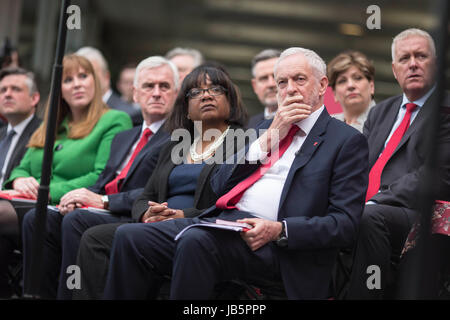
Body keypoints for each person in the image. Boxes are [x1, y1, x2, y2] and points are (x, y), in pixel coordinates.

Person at [102, 47, 369, 300]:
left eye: (299, 79)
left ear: (322, 85)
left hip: (279, 246)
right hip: (225, 223)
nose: (290, 90)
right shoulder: (267, 128)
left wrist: (279, 229)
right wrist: (269, 138)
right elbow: (218, 184)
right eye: (282, 83)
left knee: (196, 242)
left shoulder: (344, 140)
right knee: (130, 237)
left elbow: (344, 224)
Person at [73, 64, 247, 299]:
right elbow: (145, 195)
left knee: (128, 236)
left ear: (231, 100)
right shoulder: (175, 144)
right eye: (195, 92)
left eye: (215, 89)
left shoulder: (243, 144)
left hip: (200, 227)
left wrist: (181, 215)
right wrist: (147, 213)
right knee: (95, 238)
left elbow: (234, 204)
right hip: (157, 223)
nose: (205, 95)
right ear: (186, 108)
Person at [21, 56, 176, 299]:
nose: (156, 93)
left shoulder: (178, 138)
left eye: (164, 86)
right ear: (135, 94)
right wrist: (77, 196)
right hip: (101, 206)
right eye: (148, 86)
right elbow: (102, 179)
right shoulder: (125, 136)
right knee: (37, 218)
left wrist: (103, 201)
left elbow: (160, 190)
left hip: (131, 213)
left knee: (77, 219)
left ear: (176, 94)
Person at [0, 54, 131, 298]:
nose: (77, 84)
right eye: (68, 80)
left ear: (97, 82)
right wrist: (19, 180)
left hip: (70, 205)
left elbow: (102, 174)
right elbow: (22, 166)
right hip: (28, 202)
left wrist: (47, 190)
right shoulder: (52, 123)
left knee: (26, 218)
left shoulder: (114, 120)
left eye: (83, 76)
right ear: (59, 89)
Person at [346, 28, 450, 299]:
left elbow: (438, 175)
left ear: (436, 65)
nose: (413, 63)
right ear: (394, 70)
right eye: (404, 58)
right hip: (368, 208)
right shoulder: (381, 112)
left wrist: (377, 200)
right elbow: (358, 168)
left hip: (417, 213)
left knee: (368, 218)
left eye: (421, 56)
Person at [76, 47, 143, 126]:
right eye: (79, 76)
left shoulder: (128, 114)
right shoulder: (72, 113)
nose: (79, 83)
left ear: (106, 77)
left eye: (88, 75)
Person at [0, 68, 41, 189]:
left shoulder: (43, 133)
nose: (7, 94)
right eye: (3, 90)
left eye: (16, 89)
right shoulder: (1, 133)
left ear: (34, 98)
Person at [327, 51, 376, 133]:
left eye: (357, 78)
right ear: (334, 94)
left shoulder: (388, 121)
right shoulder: (326, 126)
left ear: (371, 86)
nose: (350, 85)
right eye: (342, 81)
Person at [247, 49, 281, 129]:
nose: (271, 84)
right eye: (264, 78)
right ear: (254, 86)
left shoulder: (307, 119)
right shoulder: (246, 127)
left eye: (276, 76)